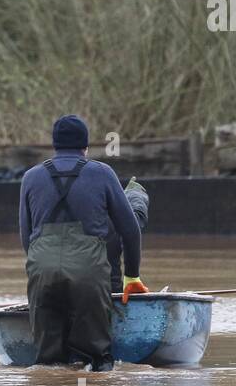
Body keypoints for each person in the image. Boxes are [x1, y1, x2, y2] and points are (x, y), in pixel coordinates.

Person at [17, 115, 146, 371]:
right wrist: (131, 276)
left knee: (47, 363)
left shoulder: (30, 177)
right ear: (85, 148)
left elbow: (26, 236)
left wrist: (43, 268)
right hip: (88, 272)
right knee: (98, 359)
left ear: (54, 146)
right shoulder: (102, 173)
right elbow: (130, 230)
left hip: (41, 269)